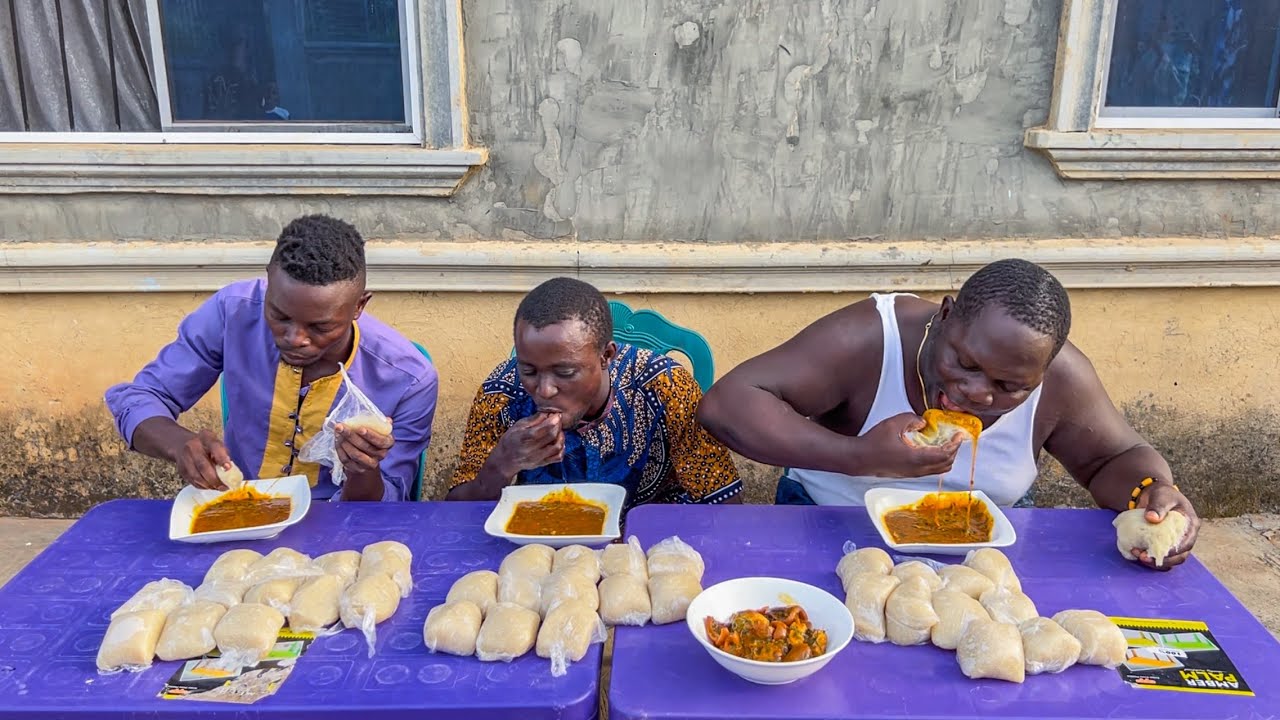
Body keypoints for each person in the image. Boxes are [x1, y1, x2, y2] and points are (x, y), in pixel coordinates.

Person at [696, 258, 1200, 570]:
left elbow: (1114, 459)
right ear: (945, 315)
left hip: (980, 560)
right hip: (828, 536)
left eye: (1008, 387)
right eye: (964, 362)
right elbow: (727, 405)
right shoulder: (874, 339)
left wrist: (1152, 492)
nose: (975, 394)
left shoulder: (1062, 379)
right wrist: (858, 455)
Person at [105, 214, 437, 501]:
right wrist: (179, 445)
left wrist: (362, 469)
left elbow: (391, 504)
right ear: (268, 280)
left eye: (320, 327)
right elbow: (139, 398)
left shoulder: (409, 378)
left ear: (359, 307)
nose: (295, 338)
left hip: (340, 530)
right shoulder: (232, 313)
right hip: (238, 514)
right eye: (278, 315)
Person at [447, 277, 742, 511]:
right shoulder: (501, 395)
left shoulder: (665, 387)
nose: (545, 390)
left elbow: (722, 500)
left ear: (606, 356)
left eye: (565, 373)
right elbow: (454, 514)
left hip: (651, 549)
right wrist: (501, 465)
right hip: (542, 547)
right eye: (529, 371)